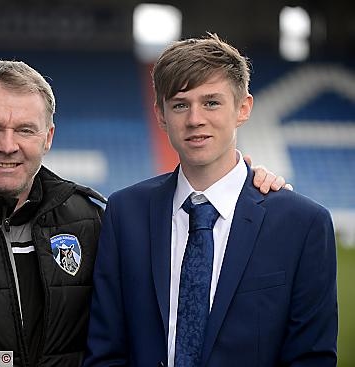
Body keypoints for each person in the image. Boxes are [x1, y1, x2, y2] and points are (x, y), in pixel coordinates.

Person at [0, 59, 287, 366]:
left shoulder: (90, 220)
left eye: (25, 129)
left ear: (48, 137)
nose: (9, 145)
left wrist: (242, 181)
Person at [83, 34, 337, 367]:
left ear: (243, 108)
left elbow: (311, 358)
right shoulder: (125, 213)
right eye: (179, 104)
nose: (194, 119)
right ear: (160, 114)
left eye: (212, 102)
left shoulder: (302, 224)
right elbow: (105, 350)